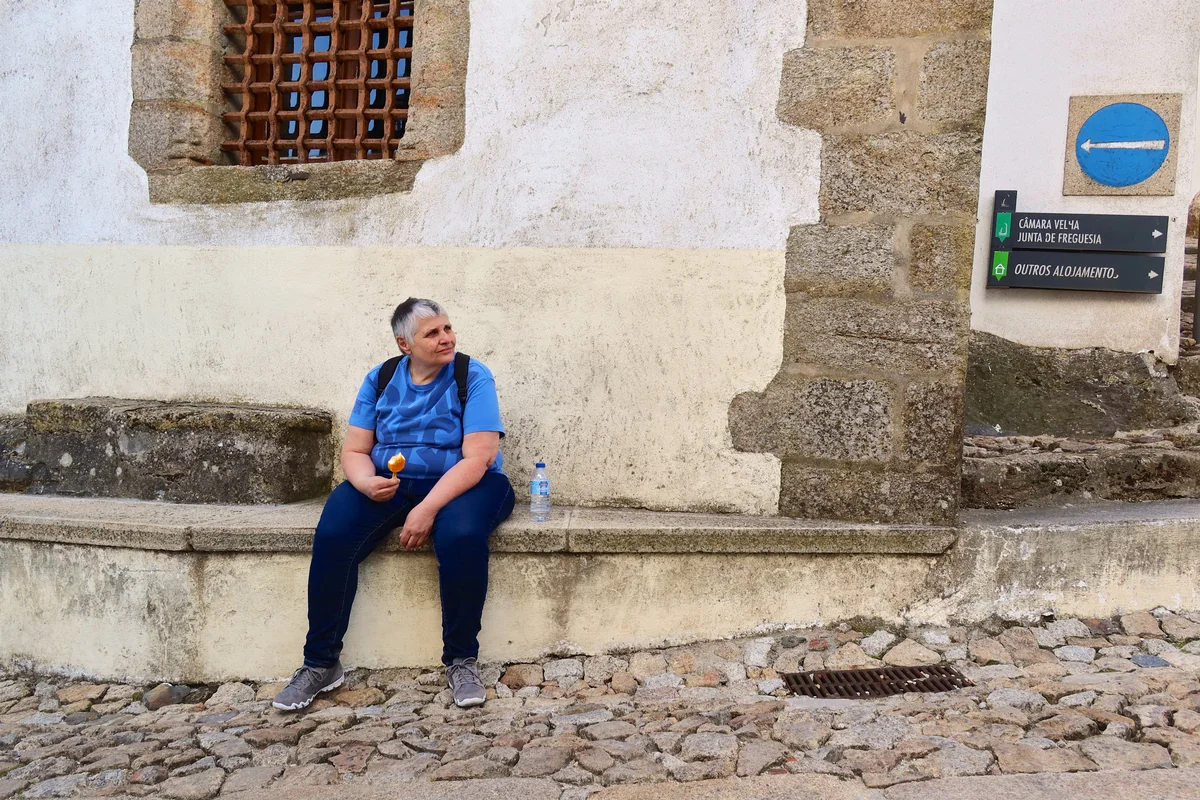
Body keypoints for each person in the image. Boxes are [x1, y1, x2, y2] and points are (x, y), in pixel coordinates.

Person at [273, 298, 515, 711]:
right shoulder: (381, 378)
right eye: (432, 333)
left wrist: (427, 509)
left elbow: (479, 458)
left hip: (467, 483)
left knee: (460, 536)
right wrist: (366, 482)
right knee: (334, 534)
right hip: (390, 482)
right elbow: (355, 450)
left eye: (447, 328)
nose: (447, 338)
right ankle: (321, 663)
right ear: (405, 344)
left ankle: (461, 660)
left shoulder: (471, 375)